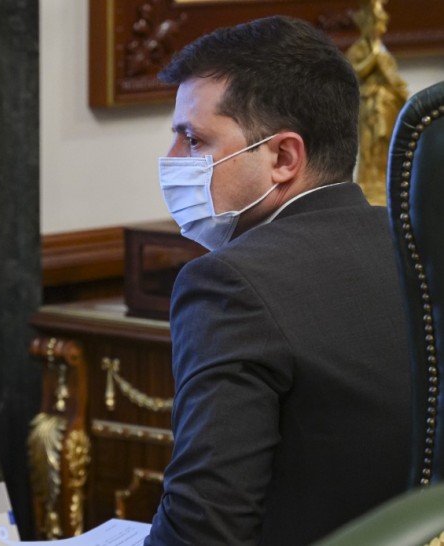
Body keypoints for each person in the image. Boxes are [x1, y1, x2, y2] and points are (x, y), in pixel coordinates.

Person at [146, 16, 411, 546]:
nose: (171, 162)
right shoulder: (413, 245)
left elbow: (204, 528)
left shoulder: (230, 284)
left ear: (284, 158)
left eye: (193, 139)